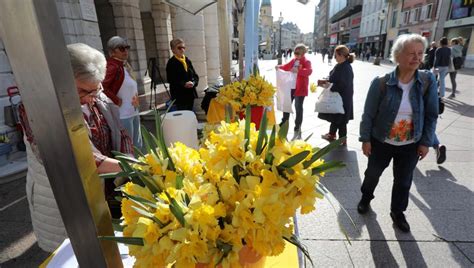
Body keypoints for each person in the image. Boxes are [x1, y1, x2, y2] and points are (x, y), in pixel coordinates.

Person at [19, 43, 132, 252]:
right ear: (59, 80)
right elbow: (76, 158)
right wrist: (132, 166)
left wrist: (129, 162)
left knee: (103, 249)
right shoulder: (37, 107)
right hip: (63, 199)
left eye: (96, 87)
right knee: (73, 252)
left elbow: (120, 134)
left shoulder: (97, 94)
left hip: (102, 194)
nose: (92, 96)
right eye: (82, 90)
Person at [358, 34, 438, 233]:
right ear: (397, 55)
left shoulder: (427, 81)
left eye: (420, 53)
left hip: (411, 143)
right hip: (381, 141)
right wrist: (365, 139)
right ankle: (366, 197)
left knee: (403, 181)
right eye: (411, 53)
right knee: (372, 175)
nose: (417, 57)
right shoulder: (381, 82)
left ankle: (398, 212)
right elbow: (368, 114)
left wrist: (425, 142)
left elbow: (431, 114)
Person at [102, 36, 142, 150]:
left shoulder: (123, 65)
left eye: (127, 48)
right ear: (113, 51)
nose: (126, 51)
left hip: (133, 110)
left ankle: (139, 166)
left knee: (137, 145)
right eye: (121, 48)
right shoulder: (113, 66)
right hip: (123, 113)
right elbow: (103, 87)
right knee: (128, 147)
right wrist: (116, 100)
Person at [319, 45, 354, 146]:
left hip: (342, 98)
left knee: (341, 120)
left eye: (336, 55)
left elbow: (342, 85)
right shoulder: (341, 64)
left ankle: (343, 139)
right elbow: (334, 77)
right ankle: (332, 134)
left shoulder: (346, 67)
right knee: (336, 116)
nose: (334, 57)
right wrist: (326, 81)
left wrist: (330, 85)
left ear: (342, 55)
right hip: (338, 97)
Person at [276, 44, 313, 140]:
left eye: (297, 53)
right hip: (291, 87)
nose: (295, 55)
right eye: (294, 53)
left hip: (300, 88)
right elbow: (286, 66)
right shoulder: (294, 60)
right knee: (286, 104)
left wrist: (298, 71)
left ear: (303, 53)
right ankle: (284, 122)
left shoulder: (306, 61)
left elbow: (309, 71)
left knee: (298, 107)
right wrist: (279, 67)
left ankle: (298, 125)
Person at [166, 38, 199, 111]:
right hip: (179, 96)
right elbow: (171, 79)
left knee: (190, 114)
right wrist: (184, 84)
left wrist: (193, 83)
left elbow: (195, 75)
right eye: (179, 48)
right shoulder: (171, 63)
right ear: (173, 50)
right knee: (183, 117)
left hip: (190, 94)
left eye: (183, 47)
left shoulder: (187, 60)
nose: (182, 50)